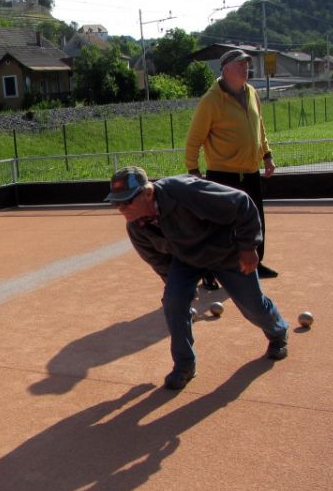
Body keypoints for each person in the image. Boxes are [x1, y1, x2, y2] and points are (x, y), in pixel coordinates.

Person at [105, 166, 288, 390]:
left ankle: (277, 333)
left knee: (252, 304)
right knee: (173, 302)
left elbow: (242, 203)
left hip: (225, 251)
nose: (122, 209)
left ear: (148, 193)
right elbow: (159, 261)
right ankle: (184, 365)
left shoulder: (184, 191)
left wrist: (248, 248)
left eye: (127, 202)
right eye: (117, 203)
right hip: (186, 259)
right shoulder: (136, 226)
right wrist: (176, 288)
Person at [185, 48, 279, 279]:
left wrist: (266, 155)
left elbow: (260, 128)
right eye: (240, 64)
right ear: (226, 70)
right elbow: (194, 139)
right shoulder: (211, 100)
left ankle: (256, 264)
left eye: (246, 64)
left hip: (250, 171)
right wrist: (193, 170)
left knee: (255, 221)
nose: (246, 68)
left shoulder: (252, 93)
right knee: (220, 227)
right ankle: (211, 271)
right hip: (223, 174)